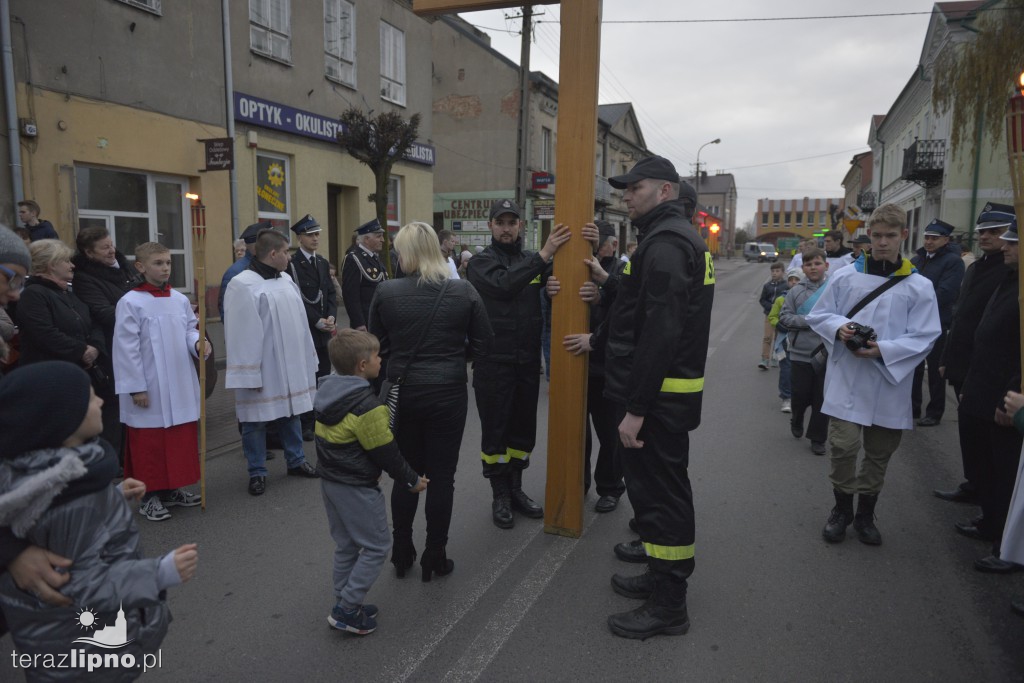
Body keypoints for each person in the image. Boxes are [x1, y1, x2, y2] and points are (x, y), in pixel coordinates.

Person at [562, 155, 714, 639]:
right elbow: (636, 310)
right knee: (656, 497)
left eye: (635, 187)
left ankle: (669, 606)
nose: (626, 195)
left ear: (665, 191)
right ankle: (658, 573)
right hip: (665, 398)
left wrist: (635, 410)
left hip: (658, 402)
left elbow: (659, 335)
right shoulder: (667, 241)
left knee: (661, 499)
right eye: (625, 189)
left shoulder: (666, 245)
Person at [0, 361, 198, 679]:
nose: (102, 401)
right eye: (91, 398)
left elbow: (50, 521)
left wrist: (112, 497)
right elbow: (84, 586)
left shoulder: (53, 480)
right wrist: (159, 573)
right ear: (63, 423)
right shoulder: (71, 498)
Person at [807, 203, 940, 546]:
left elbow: (926, 335)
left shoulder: (919, 285)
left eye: (890, 236)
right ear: (869, 235)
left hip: (888, 381)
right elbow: (820, 315)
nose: (882, 243)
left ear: (903, 236)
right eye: (877, 235)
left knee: (879, 453)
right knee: (843, 446)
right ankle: (841, 510)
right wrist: (842, 328)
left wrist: (883, 350)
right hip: (848, 377)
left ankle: (866, 513)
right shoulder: (846, 275)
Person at [369, 221, 492, 579]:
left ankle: (402, 549)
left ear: (405, 253)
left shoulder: (386, 292)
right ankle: (435, 554)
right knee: (442, 477)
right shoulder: (463, 291)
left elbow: (377, 349)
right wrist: (454, 355)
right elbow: (486, 344)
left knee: (406, 473)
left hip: (402, 393)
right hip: (448, 392)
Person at [315, 330, 428, 635]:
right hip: (356, 486)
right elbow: (387, 452)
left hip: (331, 482)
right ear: (363, 365)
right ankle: (348, 608)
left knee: (347, 544)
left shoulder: (327, 392)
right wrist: (412, 480)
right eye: (377, 356)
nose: (381, 359)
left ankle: (343, 599)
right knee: (377, 546)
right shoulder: (368, 407)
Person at [467, 199, 570, 529]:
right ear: (491, 226)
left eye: (512, 222)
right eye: (501, 222)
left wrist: (553, 289)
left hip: (526, 362)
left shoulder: (531, 261)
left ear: (521, 226)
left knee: (523, 432)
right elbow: (505, 285)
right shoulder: (481, 263)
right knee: (496, 432)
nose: (507, 228)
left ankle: (516, 490)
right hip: (493, 363)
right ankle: (499, 495)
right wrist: (544, 256)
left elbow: (549, 287)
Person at [113, 242, 210, 522]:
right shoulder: (131, 301)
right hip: (150, 385)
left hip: (178, 382)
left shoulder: (179, 300)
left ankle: (172, 490)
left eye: (168, 262)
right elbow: (125, 348)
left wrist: (198, 344)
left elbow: (190, 330)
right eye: (158, 263)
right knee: (150, 444)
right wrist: (136, 387)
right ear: (141, 267)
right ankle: (149, 497)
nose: (165, 267)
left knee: (178, 439)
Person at [223, 229, 321, 496]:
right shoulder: (242, 284)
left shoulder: (286, 280)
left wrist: (307, 356)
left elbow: (301, 323)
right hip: (263, 366)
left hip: (289, 363)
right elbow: (239, 334)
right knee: (255, 420)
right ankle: (257, 472)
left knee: (291, 412)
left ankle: (296, 460)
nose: (289, 258)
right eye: (286, 253)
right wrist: (248, 375)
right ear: (273, 253)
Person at [951, 214, 1022, 551]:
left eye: (1012, 241)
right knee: (987, 462)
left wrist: (1014, 394)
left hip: (1005, 391)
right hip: (982, 380)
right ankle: (991, 521)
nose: (1005, 245)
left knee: (1004, 470)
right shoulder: (1009, 278)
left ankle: (1003, 538)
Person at [935, 204, 1012, 503]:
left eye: (995, 231)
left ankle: (988, 497)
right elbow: (961, 317)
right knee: (968, 431)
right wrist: (946, 358)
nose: (986, 236)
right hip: (963, 361)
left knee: (985, 436)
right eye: (982, 231)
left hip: (987, 369)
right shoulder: (978, 266)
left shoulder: (1008, 270)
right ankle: (974, 484)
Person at [71, 226, 137, 456]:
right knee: (113, 408)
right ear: (89, 253)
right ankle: (115, 459)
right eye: (105, 248)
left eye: (112, 245)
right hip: (113, 348)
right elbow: (103, 313)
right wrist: (141, 312)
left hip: (135, 343)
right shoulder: (84, 278)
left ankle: (129, 455)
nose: (112, 251)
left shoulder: (124, 266)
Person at [910, 218, 965, 426]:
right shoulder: (916, 260)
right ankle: (913, 407)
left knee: (935, 369)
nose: (929, 241)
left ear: (945, 240)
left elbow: (946, 293)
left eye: (934, 238)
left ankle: (935, 411)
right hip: (914, 321)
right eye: (927, 237)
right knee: (913, 366)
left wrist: (915, 303)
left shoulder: (953, 262)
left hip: (937, 322)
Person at [288, 214, 337, 441]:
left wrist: (331, 316)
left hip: (324, 329)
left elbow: (329, 293)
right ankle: (306, 422)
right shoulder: (292, 265)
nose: (315, 239)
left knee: (323, 375)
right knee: (307, 376)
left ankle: (320, 417)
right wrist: (316, 320)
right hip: (307, 328)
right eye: (310, 235)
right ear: (300, 238)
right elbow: (295, 298)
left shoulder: (322, 262)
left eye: (317, 234)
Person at [780, 249, 830, 455]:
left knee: (822, 398)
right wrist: (809, 321)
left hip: (827, 354)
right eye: (808, 264)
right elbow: (785, 317)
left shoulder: (834, 289)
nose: (813, 267)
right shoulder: (795, 292)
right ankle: (797, 417)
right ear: (803, 268)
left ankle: (818, 438)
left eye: (817, 263)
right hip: (801, 354)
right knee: (800, 395)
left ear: (826, 266)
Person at [341, 219, 388, 332]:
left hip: (379, 319)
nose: (383, 240)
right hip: (366, 322)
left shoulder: (374, 257)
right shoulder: (353, 259)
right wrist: (359, 323)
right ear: (366, 239)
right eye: (379, 236)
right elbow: (350, 295)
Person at [218, 221, 267, 321]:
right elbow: (226, 311)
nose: (239, 253)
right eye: (237, 251)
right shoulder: (234, 272)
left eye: (242, 250)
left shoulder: (266, 266)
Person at [769, 269, 802, 414]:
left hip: (801, 340)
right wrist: (778, 324)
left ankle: (799, 397)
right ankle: (786, 398)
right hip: (784, 340)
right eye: (791, 280)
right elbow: (772, 316)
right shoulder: (780, 299)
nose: (793, 282)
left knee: (800, 370)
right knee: (786, 369)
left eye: (797, 280)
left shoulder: (806, 298)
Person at [757, 262, 788, 369]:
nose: (774, 273)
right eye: (773, 271)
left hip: (781, 317)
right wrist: (771, 307)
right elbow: (762, 300)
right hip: (769, 315)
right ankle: (764, 359)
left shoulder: (786, 285)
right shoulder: (767, 286)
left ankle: (776, 357)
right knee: (767, 337)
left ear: (783, 272)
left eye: (777, 271)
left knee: (778, 337)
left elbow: (788, 299)